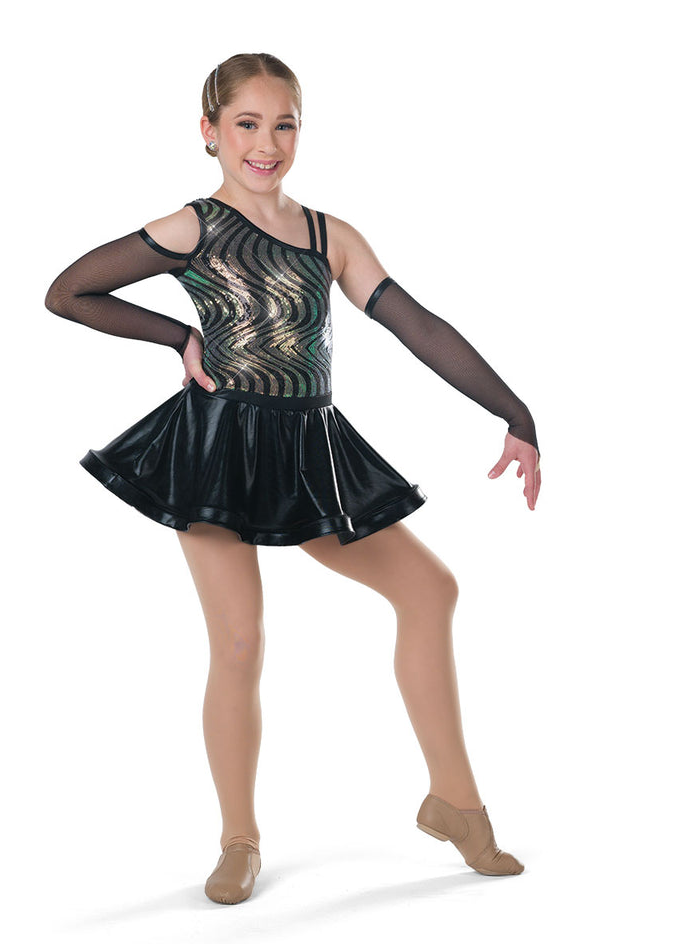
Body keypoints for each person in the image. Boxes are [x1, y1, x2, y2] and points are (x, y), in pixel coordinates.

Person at [44, 52, 541, 906]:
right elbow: (69, 291)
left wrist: (515, 411)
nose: (266, 144)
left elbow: (415, 323)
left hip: (309, 448)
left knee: (430, 590)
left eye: (284, 125)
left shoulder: (328, 237)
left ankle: (456, 805)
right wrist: (177, 337)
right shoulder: (194, 226)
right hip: (216, 448)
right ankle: (238, 838)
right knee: (240, 642)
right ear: (210, 132)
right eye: (247, 124)